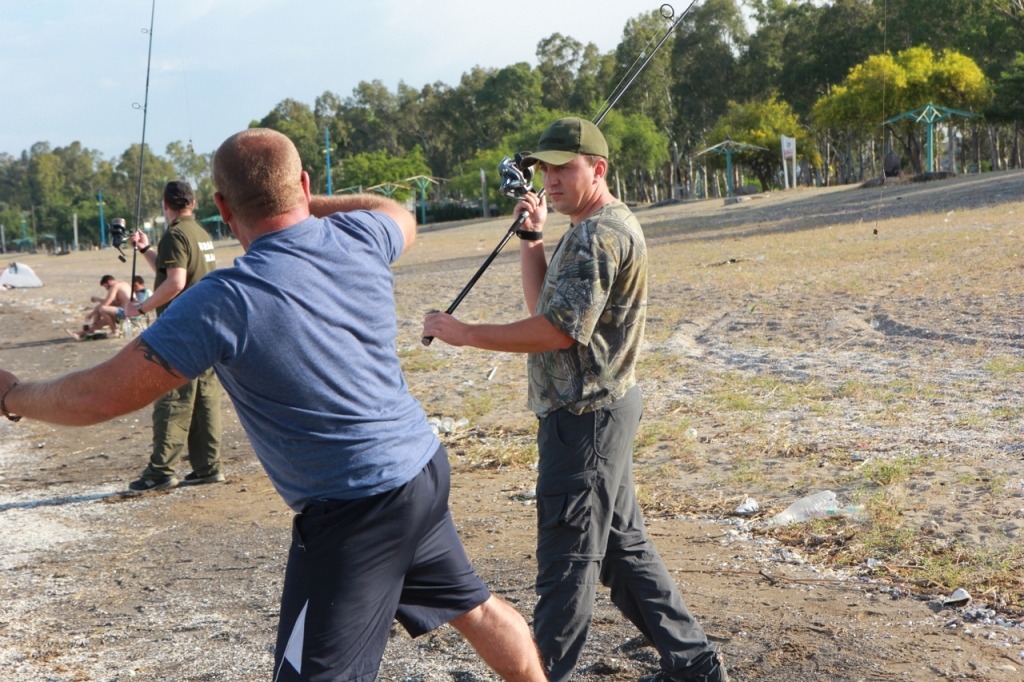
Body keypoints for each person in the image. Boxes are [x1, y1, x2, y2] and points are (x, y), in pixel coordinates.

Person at [0, 127, 546, 682]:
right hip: (420, 469)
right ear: (305, 184)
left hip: (356, 508)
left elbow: (97, 398)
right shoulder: (360, 235)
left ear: (220, 207)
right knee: (474, 608)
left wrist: (11, 395)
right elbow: (396, 210)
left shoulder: (224, 300)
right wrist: (299, 198)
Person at [423, 117, 728, 682]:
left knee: (566, 563)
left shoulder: (599, 235)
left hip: (585, 420)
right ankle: (695, 667)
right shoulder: (590, 228)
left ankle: (550, 673)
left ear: (599, 169)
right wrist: (533, 239)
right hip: (599, 410)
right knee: (621, 551)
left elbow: (557, 332)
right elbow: (549, 310)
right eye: (546, 168)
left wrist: (465, 332)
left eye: (566, 167)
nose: (552, 179)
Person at [124, 181, 223, 492]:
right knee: (205, 399)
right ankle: (208, 466)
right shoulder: (199, 234)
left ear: (165, 205)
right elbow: (172, 270)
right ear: (192, 203)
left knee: (173, 399)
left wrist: (140, 309)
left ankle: (160, 471)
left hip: (181, 330)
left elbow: (176, 282)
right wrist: (145, 249)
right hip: (208, 328)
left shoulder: (175, 234)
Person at [66, 274, 131, 339]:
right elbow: (114, 303)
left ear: (109, 282)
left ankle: (114, 331)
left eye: (105, 286)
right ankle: (83, 333)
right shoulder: (124, 284)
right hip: (131, 310)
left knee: (102, 309)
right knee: (101, 312)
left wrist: (91, 314)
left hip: (127, 312)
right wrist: (97, 301)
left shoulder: (114, 286)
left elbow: (107, 303)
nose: (106, 289)